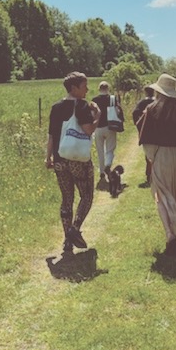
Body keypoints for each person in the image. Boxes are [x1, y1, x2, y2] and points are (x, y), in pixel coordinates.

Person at [138, 73, 176, 255]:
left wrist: (152, 157)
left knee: (161, 194)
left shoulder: (151, 110)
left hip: (161, 155)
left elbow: (146, 141)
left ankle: (170, 232)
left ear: (159, 91)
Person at [45, 72, 101, 254]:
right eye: (84, 86)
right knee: (86, 196)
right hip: (78, 160)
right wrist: (98, 115)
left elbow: (52, 134)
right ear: (74, 88)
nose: (87, 89)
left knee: (66, 198)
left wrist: (48, 157)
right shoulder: (82, 106)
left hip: (60, 159)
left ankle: (67, 242)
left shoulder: (56, 107)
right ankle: (74, 230)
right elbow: (88, 130)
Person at [92, 81, 123, 181]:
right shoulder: (112, 99)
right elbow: (119, 111)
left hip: (98, 128)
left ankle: (101, 172)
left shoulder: (94, 100)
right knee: (110, 149)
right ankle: (108, 165)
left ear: (99, 89)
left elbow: (92, 115)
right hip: (110, 126)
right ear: (108, 89)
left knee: (100, 151)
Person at [132, 85, 156, 183]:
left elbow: (134, 113)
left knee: (148, 154)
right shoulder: (156, 102)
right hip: (156, 130)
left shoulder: (142, 103)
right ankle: (155, 174)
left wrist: (139, 126)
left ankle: (149, 174)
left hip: (145, 130)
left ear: (145, 92)